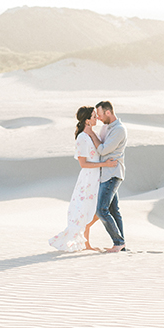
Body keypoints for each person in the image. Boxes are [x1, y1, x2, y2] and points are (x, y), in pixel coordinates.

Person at [49, 106, 118, 252]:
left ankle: (86, 243)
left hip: (97, 176)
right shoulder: (82, 138)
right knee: (91, 210)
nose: (96, 118)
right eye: (93, 116)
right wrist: (105, 164)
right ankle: (85, 242)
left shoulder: (92, 135)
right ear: (87, 120)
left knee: (95, 209)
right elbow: (83, 163)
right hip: (88, 179)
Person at [84, 100, 127, 253]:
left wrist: (91, 133)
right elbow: (99, 146)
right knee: (114, 211)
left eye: (101, 115)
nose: (100, 118)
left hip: (112, 174)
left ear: (108, 112)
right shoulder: (105, 128)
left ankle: (118, 241)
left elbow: (102, 149)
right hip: (104, 174)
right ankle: (121, 245)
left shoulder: (119, 130)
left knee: (102, 210)